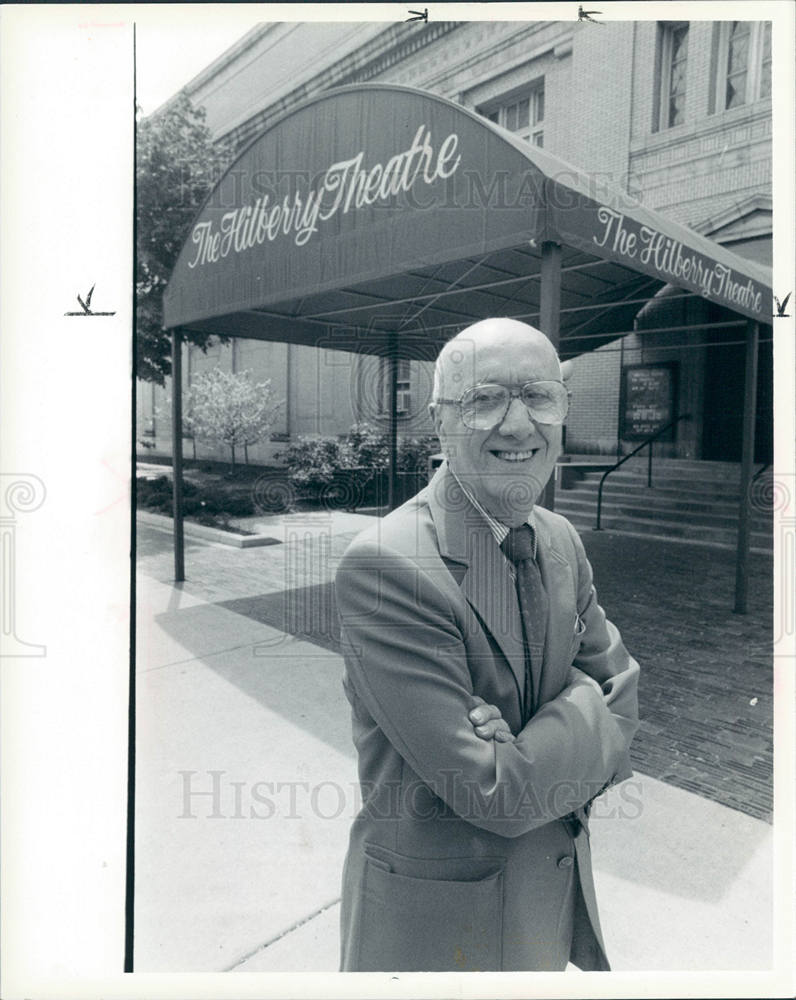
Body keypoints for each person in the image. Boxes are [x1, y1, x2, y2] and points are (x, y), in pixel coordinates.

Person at [334, 317, 640, 972]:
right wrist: (586, 710)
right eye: (484, 400)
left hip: (547, 906)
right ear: (440, 421)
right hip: (440, 937)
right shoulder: (389, 567)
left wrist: (530, 741)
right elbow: (494, 792)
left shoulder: (559, 540)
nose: (518, 423)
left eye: (538, 395)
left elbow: (625, 696)